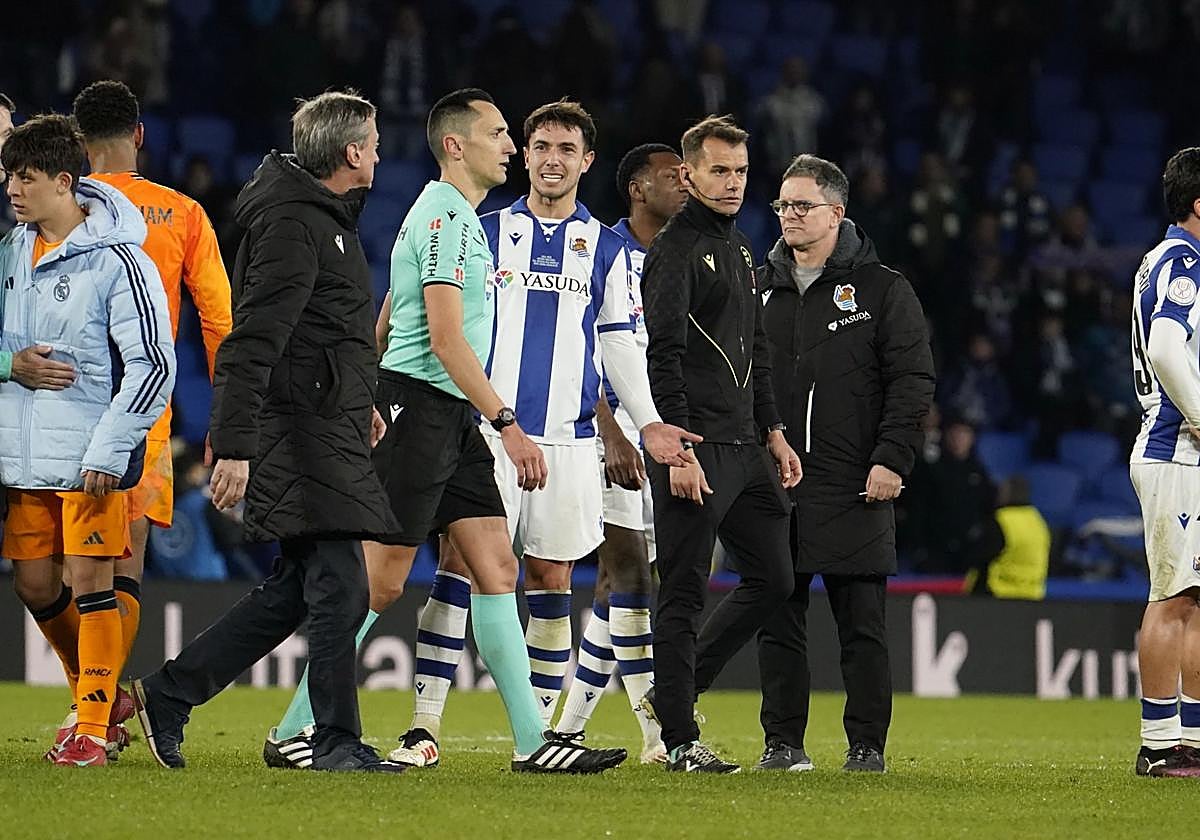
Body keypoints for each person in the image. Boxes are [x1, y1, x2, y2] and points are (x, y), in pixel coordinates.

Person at [264, 88, 632, 775]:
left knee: (496, 568)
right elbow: (441, 336)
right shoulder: (446, 218)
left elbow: (389, 317)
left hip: (447, 415)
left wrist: (369, 377)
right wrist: (507, 424)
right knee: (380, 584)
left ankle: (532, 743)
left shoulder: (456, 216)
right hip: (424, 408)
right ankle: (295, 726)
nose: (513, 148)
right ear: (457, 144)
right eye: (501, 133)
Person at [392, 109, 696, 768]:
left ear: (587, 161)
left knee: (550, 577)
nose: (552, 158)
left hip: (568, 441)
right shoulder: (483, 231)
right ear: (525, 156)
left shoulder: (609, 250)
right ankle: (423, 727)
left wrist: (647, 426)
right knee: (458, 566)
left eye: (566, 148)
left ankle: (539, 737)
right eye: (540, 147)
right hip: (488, 432)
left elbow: (618, 347)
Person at [130, 91, 406, 773]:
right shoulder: (293, 223)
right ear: (348, 154)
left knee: (294, 592)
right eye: (371, 142)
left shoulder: (323, 219)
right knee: (342, 584)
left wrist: (359, 398)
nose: (377, 153)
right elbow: (253, 342)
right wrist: (237, 446)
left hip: (325, 422)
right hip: (300, 432)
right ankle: (335, 739)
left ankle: (170, 693)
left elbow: (326, 334)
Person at [0, 114, 174, 767]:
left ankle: (91, 730)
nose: (12, 189)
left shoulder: (118, 260)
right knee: (36, 586)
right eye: (10, 176)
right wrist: (8, 365)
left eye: (26, 177)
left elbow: (154, 364)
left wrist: (109, 450)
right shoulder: (12, 250)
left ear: (65, 182)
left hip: (88, 455)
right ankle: (102, 700)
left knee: (92, 582)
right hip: (21, 454)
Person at [757, 154, 935, 774]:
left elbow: (912, 381)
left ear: (838, 212)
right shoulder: (758, 286)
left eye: (802, 205)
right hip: (774, 484)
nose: (789, 216)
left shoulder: (885, 289)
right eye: (782, 205)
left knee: (862, 625)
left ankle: (867, 746)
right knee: (778, 622)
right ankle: (782, 743)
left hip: (855, 482)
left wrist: (891, 458)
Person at [640, 115, 802, 773]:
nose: (732, 183)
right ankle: (680, 741)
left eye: (739, 171)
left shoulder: (740, 251)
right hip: (697, 446)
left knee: (777, 579)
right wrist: (677, 450)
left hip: (746, 448)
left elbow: (757, 351)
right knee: (681, 593)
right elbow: (664, 355)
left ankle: (670, 694)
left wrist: (774, 432)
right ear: (688, 175)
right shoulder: (673, 252)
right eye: (718, 171)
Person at [69, 78, 233, 729]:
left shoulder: (58, 208)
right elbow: (220, 322)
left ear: (80, 145)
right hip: (144, 417)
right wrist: (230, 420)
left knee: (58, 570)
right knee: (123, 563)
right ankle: (96, 709)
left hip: (60, 410)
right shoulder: (183, 213)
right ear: (139, 135)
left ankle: (90, 711)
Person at [554, 142, 688, 763]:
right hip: (612, 436)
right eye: (670, 176)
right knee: (628, 572)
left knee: (626, 585)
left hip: (664, 431)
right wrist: (609, 430)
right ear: (637, 187)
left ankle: (568, 726)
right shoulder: (602, 251)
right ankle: (658, 734)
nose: (683, 184)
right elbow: (584, 349)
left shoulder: (685, 257)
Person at [1129, 147, 1200, 778]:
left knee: (1195, 597)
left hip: (1187, 453)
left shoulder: (1169, 257)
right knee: (1172, 597)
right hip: (1177, 450)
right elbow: (1166, 344)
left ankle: (1194, 740)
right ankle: (1159, 743)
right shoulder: (1183, 260)